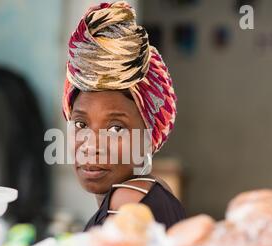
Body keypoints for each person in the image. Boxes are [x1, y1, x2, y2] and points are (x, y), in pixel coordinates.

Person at [62, 1, 186, 231]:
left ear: (147, 137)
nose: (91, 146)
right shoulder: (154, 190)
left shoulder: (127, 201)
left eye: (116, 128)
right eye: (81, 123)